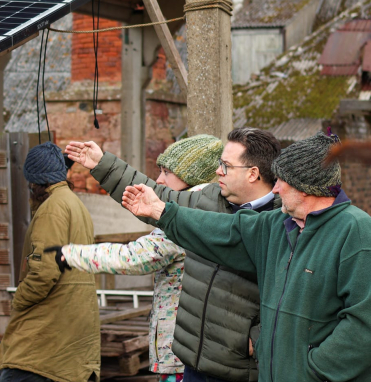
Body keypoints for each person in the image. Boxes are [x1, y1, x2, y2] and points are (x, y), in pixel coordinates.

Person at [120, 131, 371, 381]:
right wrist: (161, 211)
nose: (275, 189)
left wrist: (314, 370)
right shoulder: (279, 225)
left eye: (282, 181)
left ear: (305, 187)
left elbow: (363, 324)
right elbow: (217, 230)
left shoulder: (355, 231)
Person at [65, 128, 282, 382]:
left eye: (225, 165)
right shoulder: (209, 199)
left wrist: (259, 337)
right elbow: (160, 199)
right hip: (192, 363)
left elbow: (297, 293)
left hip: (238, 371)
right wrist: (103, 164)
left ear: (253, 174)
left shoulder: (282, 222)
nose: (218, 171)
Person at [46, 135, 224, 382]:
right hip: (190, 349)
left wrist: (71, 255)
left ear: (192, 176)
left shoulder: (188, 218)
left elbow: (135, 257)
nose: (159, 180)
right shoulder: (206, 209)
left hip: (182, 356)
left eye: (167, 172)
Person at [0, 142, 100, 382]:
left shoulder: (52, 209)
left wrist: (19, 301)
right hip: (71, 322)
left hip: (50, 327)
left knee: (16, 373)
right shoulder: (75, 204)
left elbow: (44, 273)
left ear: (35, 180)